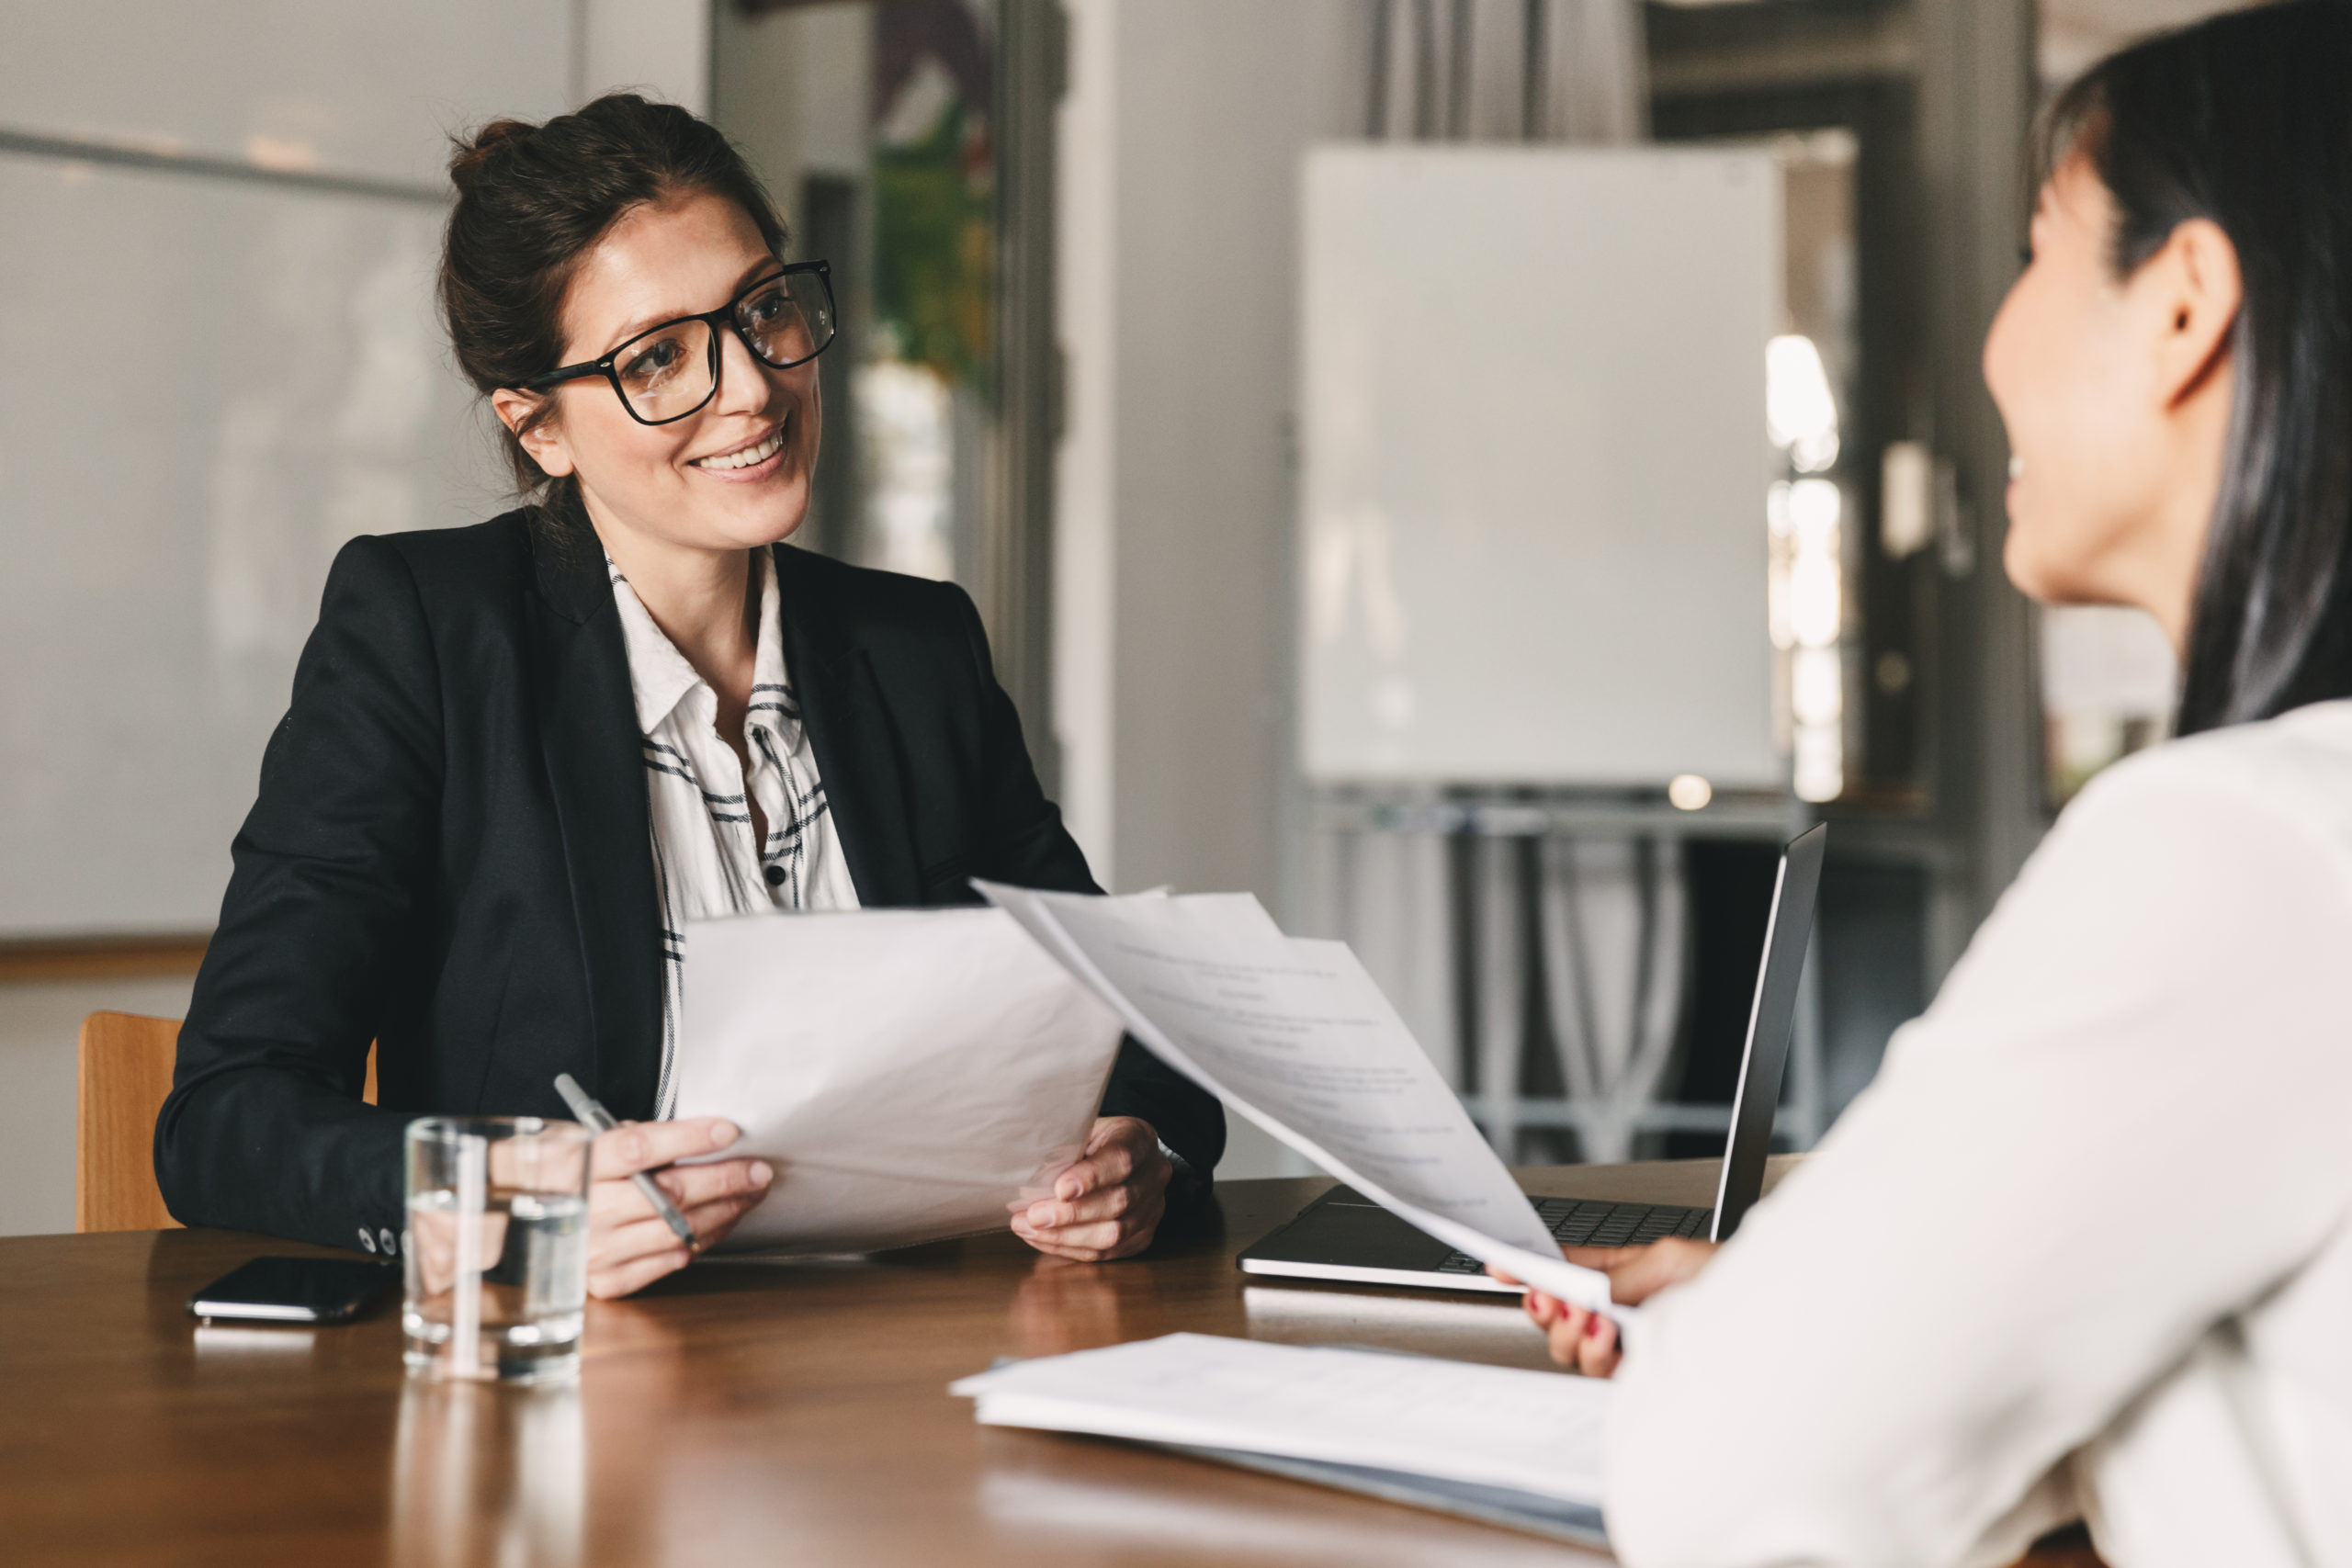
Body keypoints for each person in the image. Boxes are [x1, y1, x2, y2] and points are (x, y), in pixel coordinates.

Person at [1502, 6, 2352, 1564]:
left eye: (2039, 248)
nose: (1993, 336)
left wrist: (1766, 1339)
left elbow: (1726, 1484)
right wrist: (1845, 1311)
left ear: (2184, 306)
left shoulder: (2236, 848)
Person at [154, 95, 1223, 1300]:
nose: (754, 390)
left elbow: (1132, 1035)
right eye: (657, 356)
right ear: (538, 425)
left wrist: (1136, 1153)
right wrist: (505, 1200)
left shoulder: (915, 649)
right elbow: (223, 1118)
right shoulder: (428, 633)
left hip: (907, 1382)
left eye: (764, 310)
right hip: (574, 1408)